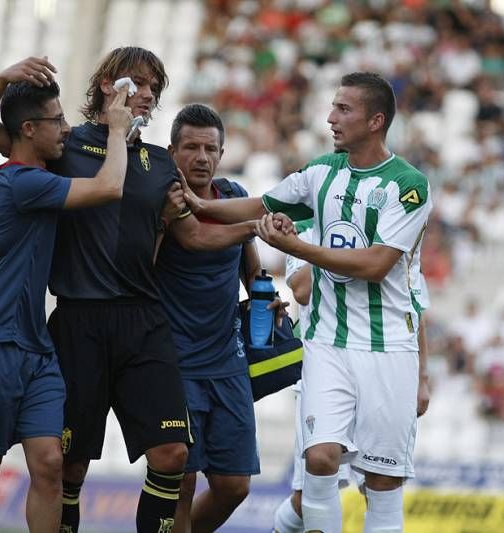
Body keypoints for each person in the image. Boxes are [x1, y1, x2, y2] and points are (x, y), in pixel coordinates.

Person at [0, 50, 289, 533]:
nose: (148, 93)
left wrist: (255, 227)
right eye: (137, 81)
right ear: (106, 85)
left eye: (154, 86)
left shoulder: (159, 163)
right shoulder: (61, 146)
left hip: (143, 321)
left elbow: (194, 236)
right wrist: (3, 77)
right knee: (68, 466)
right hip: (78, 321)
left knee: (173, 454)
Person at [185, 72, 432, 533]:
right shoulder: (321, 172)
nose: (331, 118)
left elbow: (376, 264)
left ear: (375, 121)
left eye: (344, 110)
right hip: (325, 343)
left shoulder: (409, 186)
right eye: (333, 107)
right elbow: (259, 206)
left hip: (389, 352)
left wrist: (297, 249)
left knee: (381, 483)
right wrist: (197, 206)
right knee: (319, 459)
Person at [0, 78, 133, 533]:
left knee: (50, 463)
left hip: (35, 347)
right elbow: (110, 187)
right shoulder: (21, 182)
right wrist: (115, 129)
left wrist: (4, 78)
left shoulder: (32, 172)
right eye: (58, 120)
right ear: (30, 129)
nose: (67, 129)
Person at [159, 103, 285, 533]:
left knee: (234, 485)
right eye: (191, 146)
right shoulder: (165, 197)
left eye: (210, 148)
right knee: (181, 480)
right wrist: (255, 224)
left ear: (222, 151)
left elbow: (249, 266)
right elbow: (199, 238)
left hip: (228, 362)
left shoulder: (232, 196)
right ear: (172, 150)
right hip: (174, 362)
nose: (201, 157)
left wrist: (263, 295)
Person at [273, 218, 431, 532]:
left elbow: (412, 307)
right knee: (310, 489)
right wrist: (355, 257)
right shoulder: (304, 225)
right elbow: (302, 290)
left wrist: (422, 377)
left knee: (381, 483)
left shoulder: (389, 231)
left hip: (385, 367)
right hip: (325, 366)